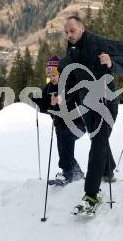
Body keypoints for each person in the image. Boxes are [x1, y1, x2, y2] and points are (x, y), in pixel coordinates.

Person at [58, 16, 123, 213]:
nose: (69, 35)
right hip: (86, 104)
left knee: (98, 143)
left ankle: (91, 194)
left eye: (72, 30)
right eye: (66, 32)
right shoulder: (71, 49)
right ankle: (107, 171)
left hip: (106, 101)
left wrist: (111, 62)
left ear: (82, 28)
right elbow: (72, 78)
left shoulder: (100, 42)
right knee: (98, 140)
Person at [32, 56, 85, 185]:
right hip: (60, 125)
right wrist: (40, 103)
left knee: (65, 138)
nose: (52, 77)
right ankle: (76, 172)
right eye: (49, 74)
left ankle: (67, 173)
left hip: (77, 124)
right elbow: (45, 105)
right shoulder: (49, 87)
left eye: (55, 74)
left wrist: (58, 101)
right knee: (63, 147)